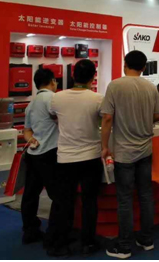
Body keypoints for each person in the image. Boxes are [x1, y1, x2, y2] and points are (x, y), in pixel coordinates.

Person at [101, 50, 159, 259]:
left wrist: (104, 146)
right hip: (145, 150)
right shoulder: (150, 87)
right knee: (146, 195)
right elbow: (157, 115)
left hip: (124, 152)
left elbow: (107, 118)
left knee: (125, 199)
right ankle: (147, 239)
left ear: (125, 64)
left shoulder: (115, 86)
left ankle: (124, 246)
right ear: (144, 67)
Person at [48, 59, 103, 257]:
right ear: (93, 77)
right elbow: (104, 120)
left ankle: (60, 244)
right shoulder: (98, 98)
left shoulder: (57, 97)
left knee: (64, 202)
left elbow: (52, 116)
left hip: (65, 158)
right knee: (90, 202)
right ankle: (88, 243)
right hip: (91, 156)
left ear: (73, 75)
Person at [21, 68, 59, 246]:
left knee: (30, 194)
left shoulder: (31, 104)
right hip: (50, 152)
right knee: (58, 196)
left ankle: (30, 230)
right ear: (52, 81)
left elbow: (27, 131)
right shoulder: (53, 99)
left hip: (33, 153)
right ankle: (54, 234)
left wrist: (31, 140)